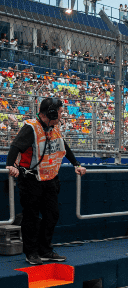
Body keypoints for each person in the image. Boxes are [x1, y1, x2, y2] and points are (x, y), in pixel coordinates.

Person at [5, 97, 87, 265]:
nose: (62, 115)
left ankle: (45, 249)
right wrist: (9, 165)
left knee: (52, 214)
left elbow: (63, 146)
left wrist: (76, 164)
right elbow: (15, 146)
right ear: (50, 113)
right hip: (30, 179)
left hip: (49, 179)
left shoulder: (54, 128)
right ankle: (32, 253)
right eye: (60, 112)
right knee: (31, 218)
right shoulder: (31, 128)